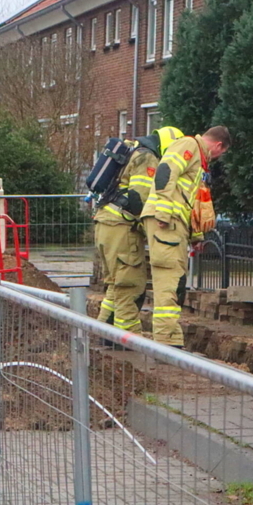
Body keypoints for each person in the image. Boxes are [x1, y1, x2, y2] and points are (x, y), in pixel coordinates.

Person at [141, 126, 230, 347]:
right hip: (167, 221)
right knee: (169, 281)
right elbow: (165, 171)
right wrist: (163, 211)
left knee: (176, 280)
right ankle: (165, 343)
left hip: (174, 223)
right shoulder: (189, 146)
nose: (218, 158)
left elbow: (191, 203)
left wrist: (196, 236)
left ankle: (171, 339)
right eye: (222, 153)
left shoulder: (197, 160)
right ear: (219, 146)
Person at [93, 126, 184, 333]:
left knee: (116, 286)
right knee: (129, 285)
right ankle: (128, 341)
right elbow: (139, 199)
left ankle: (103, 333)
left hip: (106, 224)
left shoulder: (133, 151)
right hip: (121, 228)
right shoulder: (148, 158)